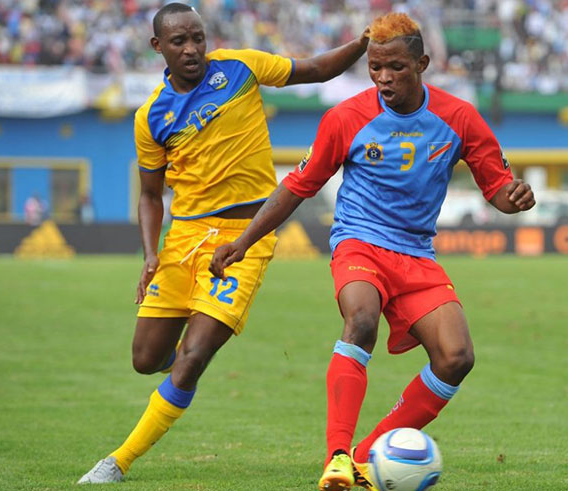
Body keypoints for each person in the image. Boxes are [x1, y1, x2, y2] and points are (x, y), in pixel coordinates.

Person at [210, 12, 535, 491]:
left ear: (422, 64)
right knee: (361, 319)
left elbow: (498, 189)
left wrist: (515, 197)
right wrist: (243, 241)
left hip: (416, 254)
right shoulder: (346, 118)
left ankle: (364, 458)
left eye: (396, 67)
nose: (383, 78)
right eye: (375, 67)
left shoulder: (459, 117)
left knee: (456, 357)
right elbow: (298, 185)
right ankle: (337, 457)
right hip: (359, 242)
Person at [77, 2, 370, 485]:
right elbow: (150, 196)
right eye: (179, 41)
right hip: (184, 239)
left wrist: (361, 43)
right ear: (158, 47)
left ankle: (118, 461)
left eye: (198, 37)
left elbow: (316, 69)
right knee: (146, 360)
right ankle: (182, 365)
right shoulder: (151, 116)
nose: (192, 49)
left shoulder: (240, 68)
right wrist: (150, 254)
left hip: (243, 239)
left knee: (192, 358)